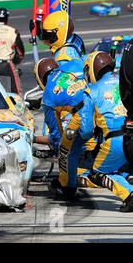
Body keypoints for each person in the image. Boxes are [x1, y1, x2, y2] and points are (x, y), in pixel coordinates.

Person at [78, 51, 133, 212]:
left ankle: (129, 195)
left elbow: (86, 130)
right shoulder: (125, 80)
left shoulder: (91, 91)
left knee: (98, 173)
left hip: (116, 141)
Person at [34, 57, 88, 198]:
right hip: (107, 105)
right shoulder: (74, 63)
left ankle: (67, 186)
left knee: (66, 148)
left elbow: (57, 136)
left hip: (84, 115)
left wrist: (35, 139)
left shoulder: (48, 97)